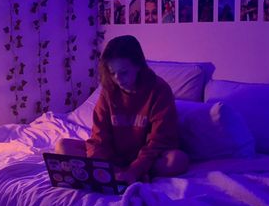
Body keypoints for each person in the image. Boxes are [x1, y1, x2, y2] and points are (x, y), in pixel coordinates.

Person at [55, 36, 188, 183]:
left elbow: (158, 141)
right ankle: (120, 173)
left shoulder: (159, 90)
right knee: (63, 147)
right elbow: (99, 137)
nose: (118, 79)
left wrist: (134, 170)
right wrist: (100, 168)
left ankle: (134, 173)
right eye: (112, 73)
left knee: (178, 160)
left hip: (146, 158)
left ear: (138, 66)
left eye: (123, 72)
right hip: (113, 157)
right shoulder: (109, 91)